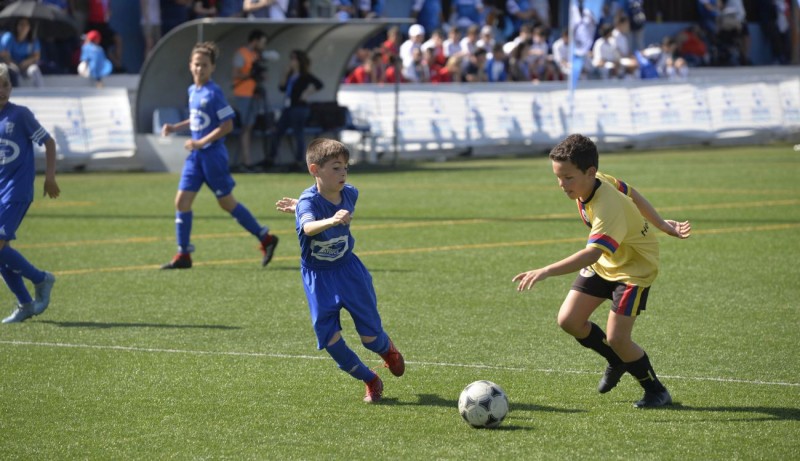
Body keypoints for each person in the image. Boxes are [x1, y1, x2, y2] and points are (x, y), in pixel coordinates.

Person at [513, 134, 691, 408]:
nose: (562, 185)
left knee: (618, 338)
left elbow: (593, 252)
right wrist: (661, 224)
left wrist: (546, 270)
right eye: (558, 177)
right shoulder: (596, 181)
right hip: (607, 263)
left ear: (590, 172)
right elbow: (632, 192)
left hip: (634, 269)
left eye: (568, 178)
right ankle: (616, 359)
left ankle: (656, 391)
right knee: (569, 320)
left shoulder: (607, 206)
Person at [274, 138, 405, 403]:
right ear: (315, 170)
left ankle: (386, 349)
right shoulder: (307, 202)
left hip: (349, 272)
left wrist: (307, 212)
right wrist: (309, 213)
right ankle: (371, 379)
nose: (343, 172)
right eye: (335, 167)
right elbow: (309, 228)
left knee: (370, 338)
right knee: (330, 341)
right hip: (318, 278)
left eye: (346, 166)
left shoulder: (351, 193)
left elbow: (315, 219)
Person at [160, 42, 279, 269]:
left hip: (213, 156)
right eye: (196, 64)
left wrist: (201, 141)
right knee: (181, 202)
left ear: (212, 67)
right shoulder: (192, 90)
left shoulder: (214, 93)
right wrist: (176, 128)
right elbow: (197, 120)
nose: (199, 69)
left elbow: (227, 124)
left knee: (227, 203)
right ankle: (183, 254)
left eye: (204, 65)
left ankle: (266, 238)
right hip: (196, 158)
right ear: (190, 65)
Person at [0, 63, 59, 323]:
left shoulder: (20, 115)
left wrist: (49, 177)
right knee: (2, 252)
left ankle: (41, 278)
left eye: (6, 85)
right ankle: (25, 303)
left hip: (18, 190)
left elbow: (48, 142)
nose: (2, 90)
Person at [267, 49, 322, 171]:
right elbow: (281, 88)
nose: (291, 61)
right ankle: (271, 157)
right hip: (288, 107)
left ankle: (299, 161)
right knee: (278, 131)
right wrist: (285, 74)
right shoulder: (291, 75)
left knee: (298, 134)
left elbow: (319, 84)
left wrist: (307, 93)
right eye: (291, 58)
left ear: (299, 61)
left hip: (300, 108)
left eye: (294, 59)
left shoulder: (305, 75)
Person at [232, 29, 271, 170]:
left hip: (255, 94)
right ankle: (245, 161)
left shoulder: (257, 55)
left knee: (250, 126)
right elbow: (236, 73)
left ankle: (249, 159)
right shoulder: (241, 53)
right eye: (262, 42)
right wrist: (251, 74)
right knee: (246, 126)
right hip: (243, 94)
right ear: (255, 40)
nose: (263, 46)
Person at [0, 18, 44, 88]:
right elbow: (5, 55)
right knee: (13, 72)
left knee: (34, 70)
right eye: (21, 24)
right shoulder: (9, 37)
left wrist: (26, 62)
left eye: (26, 25)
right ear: (17, 26)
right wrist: (14, 64)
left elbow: (36, 56)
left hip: (26, 66)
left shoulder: (33, 40)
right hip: (11, 65)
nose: (23, 27)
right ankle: (17, 94)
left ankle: (41, 91)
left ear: (29, 27)